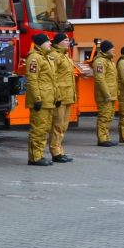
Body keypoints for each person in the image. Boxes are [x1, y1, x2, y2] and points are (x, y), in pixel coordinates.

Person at [25, 33, 56, 166]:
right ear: (40, 43)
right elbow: (32, 80)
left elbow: (51, 81)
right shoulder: (34, 58)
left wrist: (57, 97)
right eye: (47, 41)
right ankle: (34, 157)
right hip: (41, 99)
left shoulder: (45, 58)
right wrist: (37, 98)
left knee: (44, 128)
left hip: (48, 99)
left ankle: (40, 154)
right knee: (38, 129)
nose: (50, 43)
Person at [48, 33, 76, 163]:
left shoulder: (65, 56)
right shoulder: (54, 56)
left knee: (64, 126)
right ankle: (55, 151)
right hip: (60, 97)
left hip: (68, 96)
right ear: (58, 42)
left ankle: (60, 150)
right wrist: (57, 95)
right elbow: (53, 78)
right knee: (58, 125)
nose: (68, 42)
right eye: (65, 40)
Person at [92, 40, 119, 147]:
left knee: (108, 117)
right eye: (112, 48)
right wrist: (106, 94)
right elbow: (100, 79)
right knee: (104, 117)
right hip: (105, 96)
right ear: (107, 49)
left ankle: (106, 138)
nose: (114, 50)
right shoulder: (100, 62)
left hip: (111, 94)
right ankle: (102, 139)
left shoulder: (110, 61)